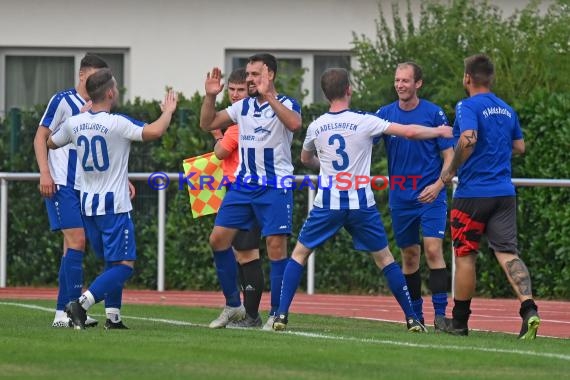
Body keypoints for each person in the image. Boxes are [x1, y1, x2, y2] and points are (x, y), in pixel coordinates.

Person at [272, 68, 453, 332]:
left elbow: (305, 159)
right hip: (360, 205)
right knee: (385, 258)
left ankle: (280, 315)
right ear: (349, 90)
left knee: (300, 254)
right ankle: (412, 318)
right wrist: (438, 132)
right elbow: (410, 132)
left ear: (325, 94)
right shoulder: (364, 121)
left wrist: (324, 168)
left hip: (328, 203)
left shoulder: (316, 125)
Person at [47, 68, 178, 329]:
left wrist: (79, 120)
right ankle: (81, 303)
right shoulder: (117, 123)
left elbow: (51, 142)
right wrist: (168, 112)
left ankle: (113, 317)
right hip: (114, 206)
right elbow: (154, 132)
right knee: (125, 265)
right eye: (115, 87)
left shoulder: (75, 122)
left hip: (88, 205)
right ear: (109, 92)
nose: (116, 91)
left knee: (111, 261)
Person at [439, 54, 540, 339]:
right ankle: (529, 309)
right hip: (504, 193)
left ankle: (459, 322)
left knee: (466, 256)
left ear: (467, 78)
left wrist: (450, 170)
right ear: (491, 78)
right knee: (508, 252)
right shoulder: (507, 109)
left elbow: (468, 138)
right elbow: (519, 146)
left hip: (473, 193)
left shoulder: (467, 105)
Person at [200, 53, 302, 330]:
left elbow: (294, 124)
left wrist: (269, 96)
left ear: (270, 75)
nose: (249, 79)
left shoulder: (287, 104)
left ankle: (276, 315)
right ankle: (234, 305)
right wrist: (210, 97)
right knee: (218, 239)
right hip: (243, 186)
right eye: (248, 74)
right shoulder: (242, 107)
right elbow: (207, 124)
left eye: (255, 74)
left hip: (275, 186)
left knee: (275, 248)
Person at [375, 62, 454, 331]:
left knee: (433, 250)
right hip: (401, 198)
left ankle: (441, 316)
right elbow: (362, 140)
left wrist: (438, 186)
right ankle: (415, 315)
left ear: (418, 83)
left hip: (431, 196)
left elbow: (449, 157)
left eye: (405, 81)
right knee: (409, 256)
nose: (400, 85)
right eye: (397, 80)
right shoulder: (384, 114)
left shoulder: (434, 113)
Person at [34, 53, 108, 328]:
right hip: (61, 184)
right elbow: (40, 136)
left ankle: (62, 313)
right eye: (95, 78)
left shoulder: (99, 108)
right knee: (77, 241)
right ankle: (70, 311)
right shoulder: (62, 100)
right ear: (82, 75)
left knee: (72, 247)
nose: (99, 83)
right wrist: (45, 172)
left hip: (84, 187)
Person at [208, 68, 265, 328]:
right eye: (231, 90)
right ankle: (242, 308)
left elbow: (220, 152)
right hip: (237, 190)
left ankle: (250, 313)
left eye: (240, 89)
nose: (234, 95)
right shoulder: (240, 120)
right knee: (236, 250)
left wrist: (218, 135)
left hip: (247, 190)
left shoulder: (239, 125)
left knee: (247, 253)